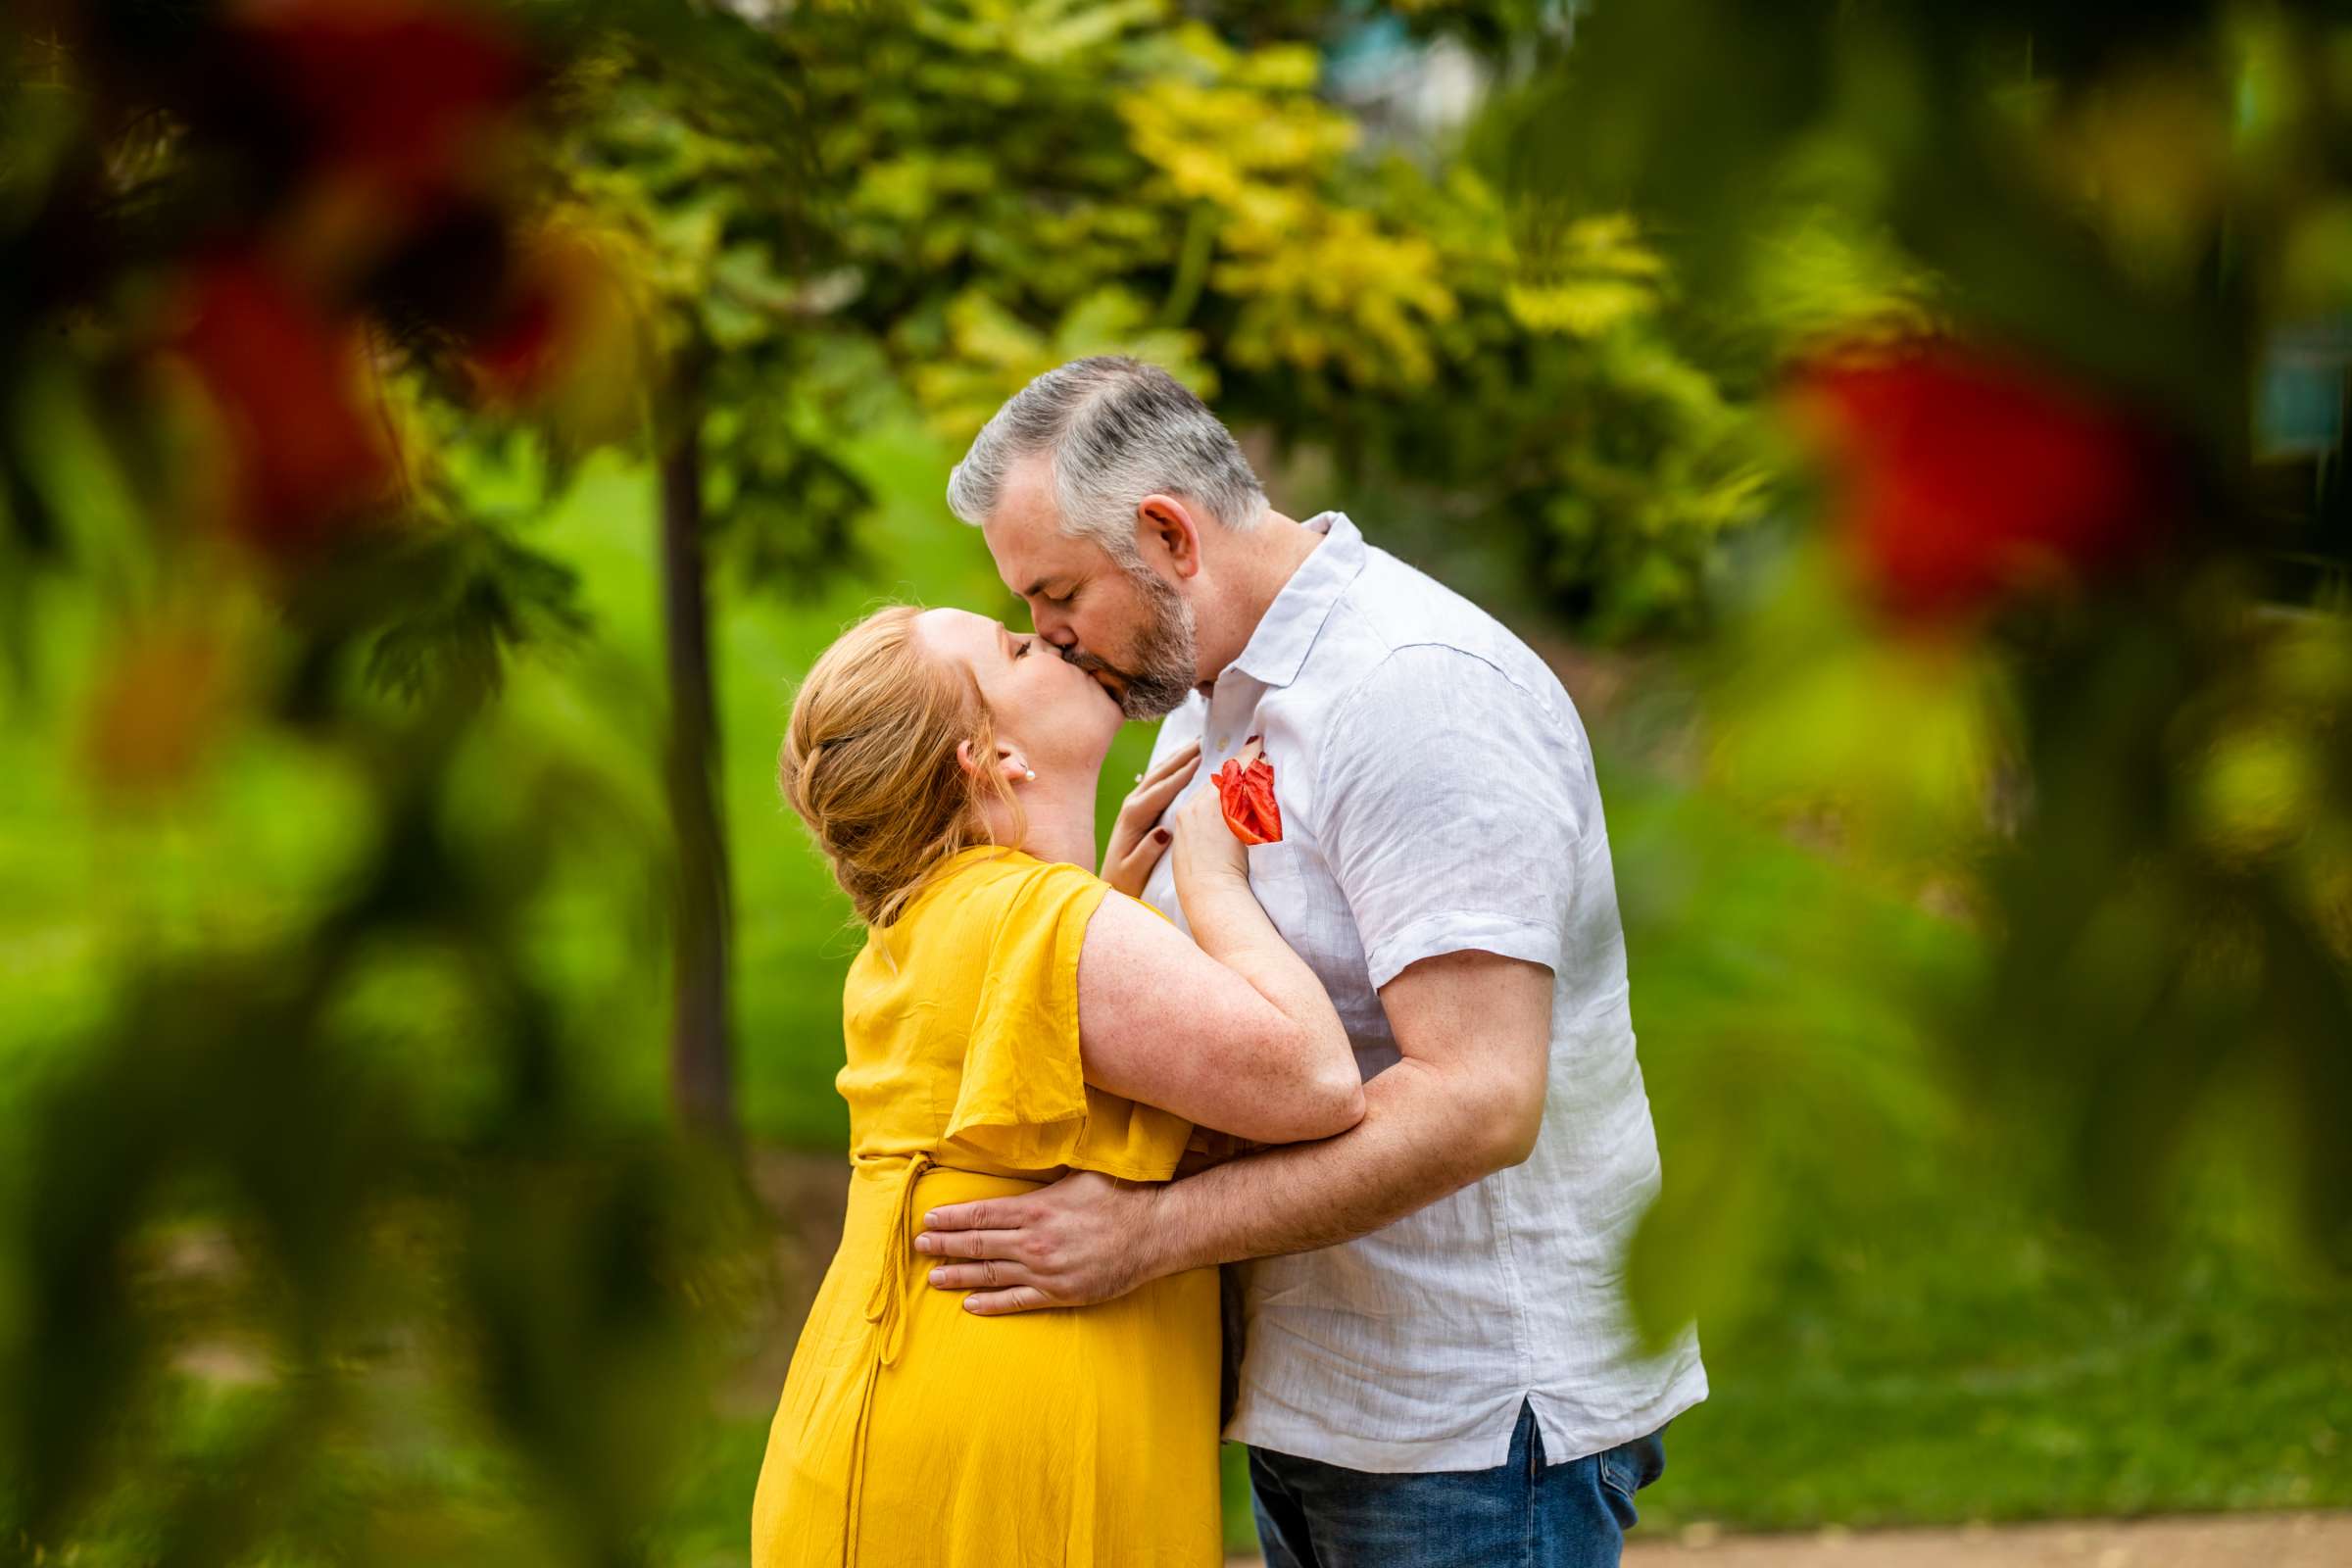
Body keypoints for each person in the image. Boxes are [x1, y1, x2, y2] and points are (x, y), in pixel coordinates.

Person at [913, 356, 1707, 1567]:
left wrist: (1145, 1236)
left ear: (1167, 534)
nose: (1048, 638)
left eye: (1057, 593)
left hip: (1473, 1426)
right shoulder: (1204, 696)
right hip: (1325, 1409)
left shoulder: (1411, 693)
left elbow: (1481, 1098)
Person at [751, 602, 1364, 1568]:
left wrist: (1106, 909)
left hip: (898, 1430)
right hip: (1001, 1478)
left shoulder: (948, 920)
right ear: (988, 757)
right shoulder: (1036, 924)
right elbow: (1319, 1080)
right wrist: (1213, 886)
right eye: (1017, 647)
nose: (1055, 638)